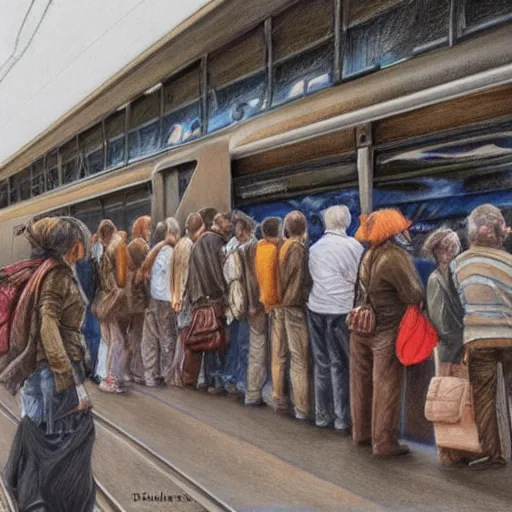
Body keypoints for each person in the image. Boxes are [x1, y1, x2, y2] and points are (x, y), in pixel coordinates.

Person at [1, 217, 96, 512]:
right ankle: (47, 501)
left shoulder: (44, 270)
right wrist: (67, 376)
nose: (85, 245)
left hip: (40, 370)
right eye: (80, 240)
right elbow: (48, 326)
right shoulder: (56, 275)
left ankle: (33, 497)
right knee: (56, 438)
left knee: (38, 432)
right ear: (69, 244)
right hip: (52, 371)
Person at [351, 208, 424, 457]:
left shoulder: (368, 255)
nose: (407, 231)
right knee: (386, 385)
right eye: (404, 228)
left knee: (361, 383)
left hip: (361, 327)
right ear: (394, 231)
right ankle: (383, 442)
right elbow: (414, 294)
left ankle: (361, 433)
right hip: (386, 329)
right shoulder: (394, 256)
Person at [451, 204, 512, 470]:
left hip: (476, 337)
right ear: (501, 233)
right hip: (510, 336)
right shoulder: (510, 263)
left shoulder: (458, 264)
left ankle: (493, 453)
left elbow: (462, 300)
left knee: (484, 396)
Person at [307, 205, 363, 433]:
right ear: (347, 222)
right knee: (341, 364)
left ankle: (322, 416)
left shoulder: (315, 248)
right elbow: (357, 278)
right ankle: (342, 419)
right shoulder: (354, 247)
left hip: (316, 308)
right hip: (342, 310)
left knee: (322, 363)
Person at [422, 228, 472, 466]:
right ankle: (448, 451)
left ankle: (462, 447)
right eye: (444, 248)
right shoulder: (435, 279)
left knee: (458, 400)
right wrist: (460, 340)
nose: (448, 252)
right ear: (436, 251)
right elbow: (439, 320)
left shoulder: (456, 274)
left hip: (458, 346)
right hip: (449, 349)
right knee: (446, 400)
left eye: (452, 248)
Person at [273, 211, 312, 420]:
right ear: (303, 229)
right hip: (294, 307)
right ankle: (302, 408)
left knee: (281, 355)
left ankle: (280, 399)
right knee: (299, 359)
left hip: (281, 306)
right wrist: (305, 296)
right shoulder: (298, 248)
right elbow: (299, 279)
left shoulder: (282, 246)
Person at [187, 212, 231, 394]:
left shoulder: (197, 244)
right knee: (218, 340)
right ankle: (218, 381)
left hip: (200, 300)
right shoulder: (218, 243)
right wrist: (225, 296)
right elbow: (221, 274)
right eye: (228, 223)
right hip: (215, 299)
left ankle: (208, 378)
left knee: (206, 339)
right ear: (221, 224)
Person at [141, 218, 180, 386]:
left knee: (150, 338)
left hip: (153, 299)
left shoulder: (154, 251)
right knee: (167, 338)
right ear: (171, 234)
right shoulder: (170, 252)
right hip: (165, 300)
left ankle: (150, 375)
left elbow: (147, 272)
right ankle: (167, 374)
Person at [169, 213, 205, 387]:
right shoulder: (191, 246)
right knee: (186, 338)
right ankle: (182, 374)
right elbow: (188, 276)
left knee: (181, 337)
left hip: (177, 296)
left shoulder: (179, 245)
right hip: (186, 299)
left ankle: (177, 373)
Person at [93, 219, 129, 394]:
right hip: (115, 299)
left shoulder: (103, 249)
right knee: (117, 340)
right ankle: (111, 379)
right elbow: (122, 279)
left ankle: (113, 377)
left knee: (113, 339)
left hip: (105, 299)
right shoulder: (119, 245)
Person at [220, 213, 254, 397]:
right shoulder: (237, 247)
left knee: (238, 342)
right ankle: (237, 379)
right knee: (240, 342)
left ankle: (233, 378)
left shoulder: (231, 248)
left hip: (237, 301)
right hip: (239, 300)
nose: (237, 231)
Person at [239, 223, 268, 406]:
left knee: (254, 348)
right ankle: (253, 392)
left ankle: (252, 391)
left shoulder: (245, 249)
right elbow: (254, 279)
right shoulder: (255, 249)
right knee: (258, 348)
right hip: (258, 307)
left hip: (251, 306)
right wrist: (255, 304)